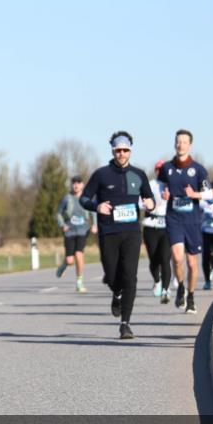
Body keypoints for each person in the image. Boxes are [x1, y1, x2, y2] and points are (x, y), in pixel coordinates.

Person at [80, 132, 155, 339]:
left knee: (130, 276)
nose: (121, 153)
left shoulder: (139, 175)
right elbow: (84, 199)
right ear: (112, 151)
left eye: (125, 150)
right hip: (108, 233)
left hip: (131, 233)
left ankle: (125, 324)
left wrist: (150, 204)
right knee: (112, 276)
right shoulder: (101, 174)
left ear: (130, 150)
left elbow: (150, 200)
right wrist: (97, 206)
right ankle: (116, 293)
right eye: (118, 150)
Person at [158, 129, 213, 314]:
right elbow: (160, 188)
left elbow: (209, 193)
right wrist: (164, 194)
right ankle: (180, 286)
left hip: (193, 221)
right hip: (174, 219)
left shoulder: (198, 169)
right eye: (178, 141)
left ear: (190, 145)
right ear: (175, 144)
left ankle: (190, 296)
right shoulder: (167, 168)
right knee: (177, 257)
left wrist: (194, 194)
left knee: (191, 263)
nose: (181, 144)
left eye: (184, 141)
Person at [56, 175, 97, 292]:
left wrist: (94, 225)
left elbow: (93, 212)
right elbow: (58, 213)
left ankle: (79, 282)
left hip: (83, 230)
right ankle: (64, 266)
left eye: (78, 182)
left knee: (79, 255)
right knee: (70, 260)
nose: (76, 185)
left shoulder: (86, 198)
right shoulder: (67, 198)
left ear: (82, 185)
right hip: (69, 231)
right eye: (74, 182)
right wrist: (62, 225)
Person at [142, 160, 172, 303]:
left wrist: (170, 198)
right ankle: (157, 281)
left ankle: (166, 290)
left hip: (167, 226)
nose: (161, 172)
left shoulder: (172, 185)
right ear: (155, 171)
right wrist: (148, 204)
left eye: (163, 169)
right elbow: (139, 202)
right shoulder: (150, 185)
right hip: (151, 225)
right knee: (154, 259)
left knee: (165, 259)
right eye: (158, 169)